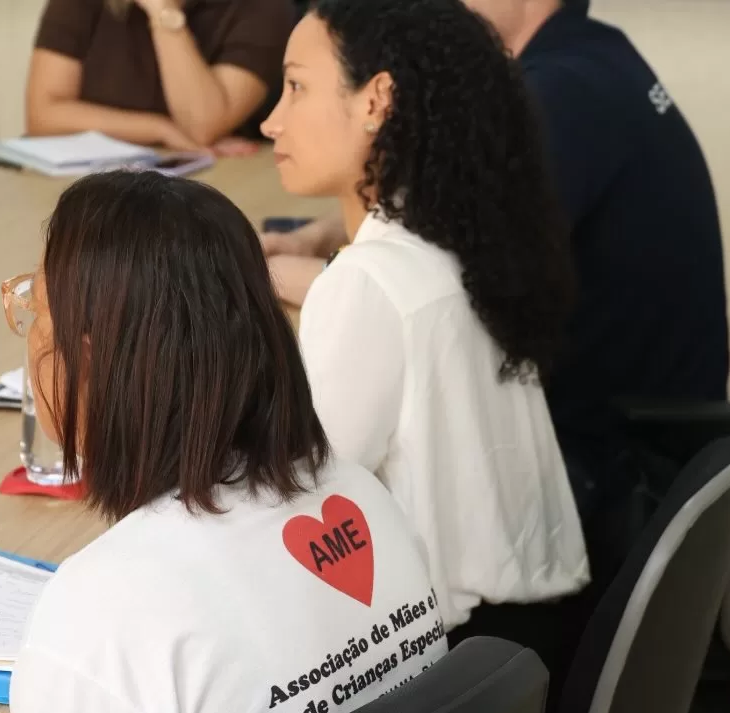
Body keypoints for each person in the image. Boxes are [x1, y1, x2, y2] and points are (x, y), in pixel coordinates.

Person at [264, 0, 730, 568]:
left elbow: (431, 279)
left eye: (297, 88)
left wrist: (280, 277)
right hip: (627, 443)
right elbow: (443, 198)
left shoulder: (559, 93)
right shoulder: (594, 54)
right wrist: (316, 236)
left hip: (609, 466)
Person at [5, 171, 448, 713]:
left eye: (35, 309)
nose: (28, 332)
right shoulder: (367, 498)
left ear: (93, 358)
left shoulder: (99, 615)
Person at [260, 0, 588, 681]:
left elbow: (295, 502)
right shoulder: (460, 241)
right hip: (529, 643)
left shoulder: (367, 286)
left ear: (376, 100)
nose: (272, 120)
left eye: (296, 87)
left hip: (450, 664)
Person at [26, 0, 296, 152]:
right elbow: (43, 115)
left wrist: (163, 12)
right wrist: (160, 129)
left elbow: (201, 126)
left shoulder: (264, 9)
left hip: (209, 187)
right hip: (89, 182)